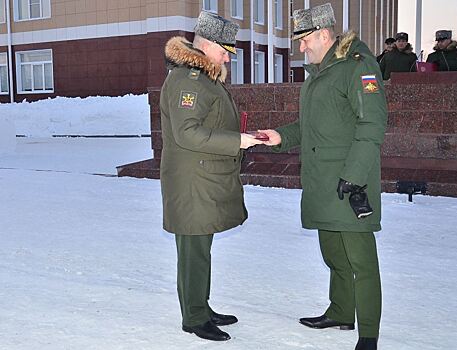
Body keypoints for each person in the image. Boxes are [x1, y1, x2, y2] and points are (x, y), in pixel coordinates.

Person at [260, 3, 386, 350]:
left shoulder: (358, 68)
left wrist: (354, 176)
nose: (300, 48)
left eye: (304, 41)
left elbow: (372, 125)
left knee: (361, 260)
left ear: (325, 35)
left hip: (349, 182)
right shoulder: (321, 71)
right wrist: (281, 136)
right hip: (322, 181)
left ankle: (369, 334)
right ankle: (341, 312)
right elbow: (310, 127)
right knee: (333, 253)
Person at [159, 11, 263, 342]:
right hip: (192, 183)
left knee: (201, 248)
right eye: (224, 51)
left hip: (203, 178)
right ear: (206, 44)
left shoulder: (202, 76)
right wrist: (237, 141)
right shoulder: (187, 80)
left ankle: (201, 307)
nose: (226, 57)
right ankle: (193, 317)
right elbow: (187, 132)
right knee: (193, 252)